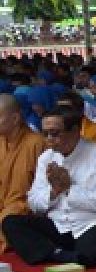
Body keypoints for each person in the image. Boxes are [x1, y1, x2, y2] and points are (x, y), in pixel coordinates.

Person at [3, 106, 96, 266]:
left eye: (55, 133)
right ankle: (57, 253)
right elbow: (34, 202)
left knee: (92, 252)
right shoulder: (46, 158)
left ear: (75, 131)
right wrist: (54, 192)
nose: (49, 139)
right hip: (60, 224)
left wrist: (69, 189)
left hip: (95, 222)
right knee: (11, 223)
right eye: (45, 134)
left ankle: (58, 252)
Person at [0, 93, 47, 254]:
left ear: (15, 119)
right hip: (2, 201)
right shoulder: (0, 142)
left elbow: (43, 187)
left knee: (8, 220)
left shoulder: (36, 143)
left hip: (23, 206)